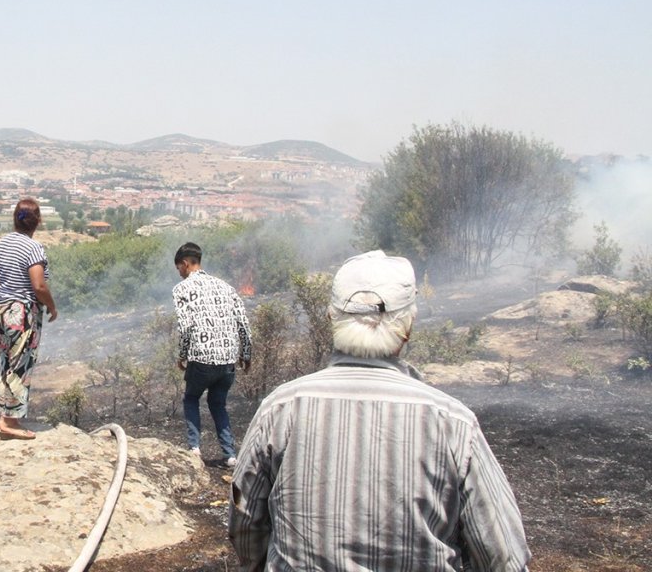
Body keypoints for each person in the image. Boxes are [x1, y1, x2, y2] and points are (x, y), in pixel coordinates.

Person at [229, 250, 531, 571]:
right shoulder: (453, 423)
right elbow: (504, 557)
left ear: (332, 318)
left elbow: (244, 521)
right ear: (408, 326)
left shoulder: (281, 408)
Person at [172, 242, 252, 466]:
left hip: (202, 357)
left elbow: (186, 326)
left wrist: (182, 354)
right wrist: (246, 354)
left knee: (191, 398)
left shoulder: (182, 290)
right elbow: (243, 323)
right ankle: (230, 455)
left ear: (185, 264)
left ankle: (194, 449)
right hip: (228, 359)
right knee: (218, 404)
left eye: (179, 268)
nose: (179, 273)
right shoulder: (226, 287)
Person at [0, 197, 57, 440]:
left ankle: (5, 415)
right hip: (21, 311)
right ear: (37, 221)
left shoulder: (0, 244)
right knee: (20, 364)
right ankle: (10, 422)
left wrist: (4, 297)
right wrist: (52, 306)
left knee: (7, 361)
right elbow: (38, 285)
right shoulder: (33, 248)